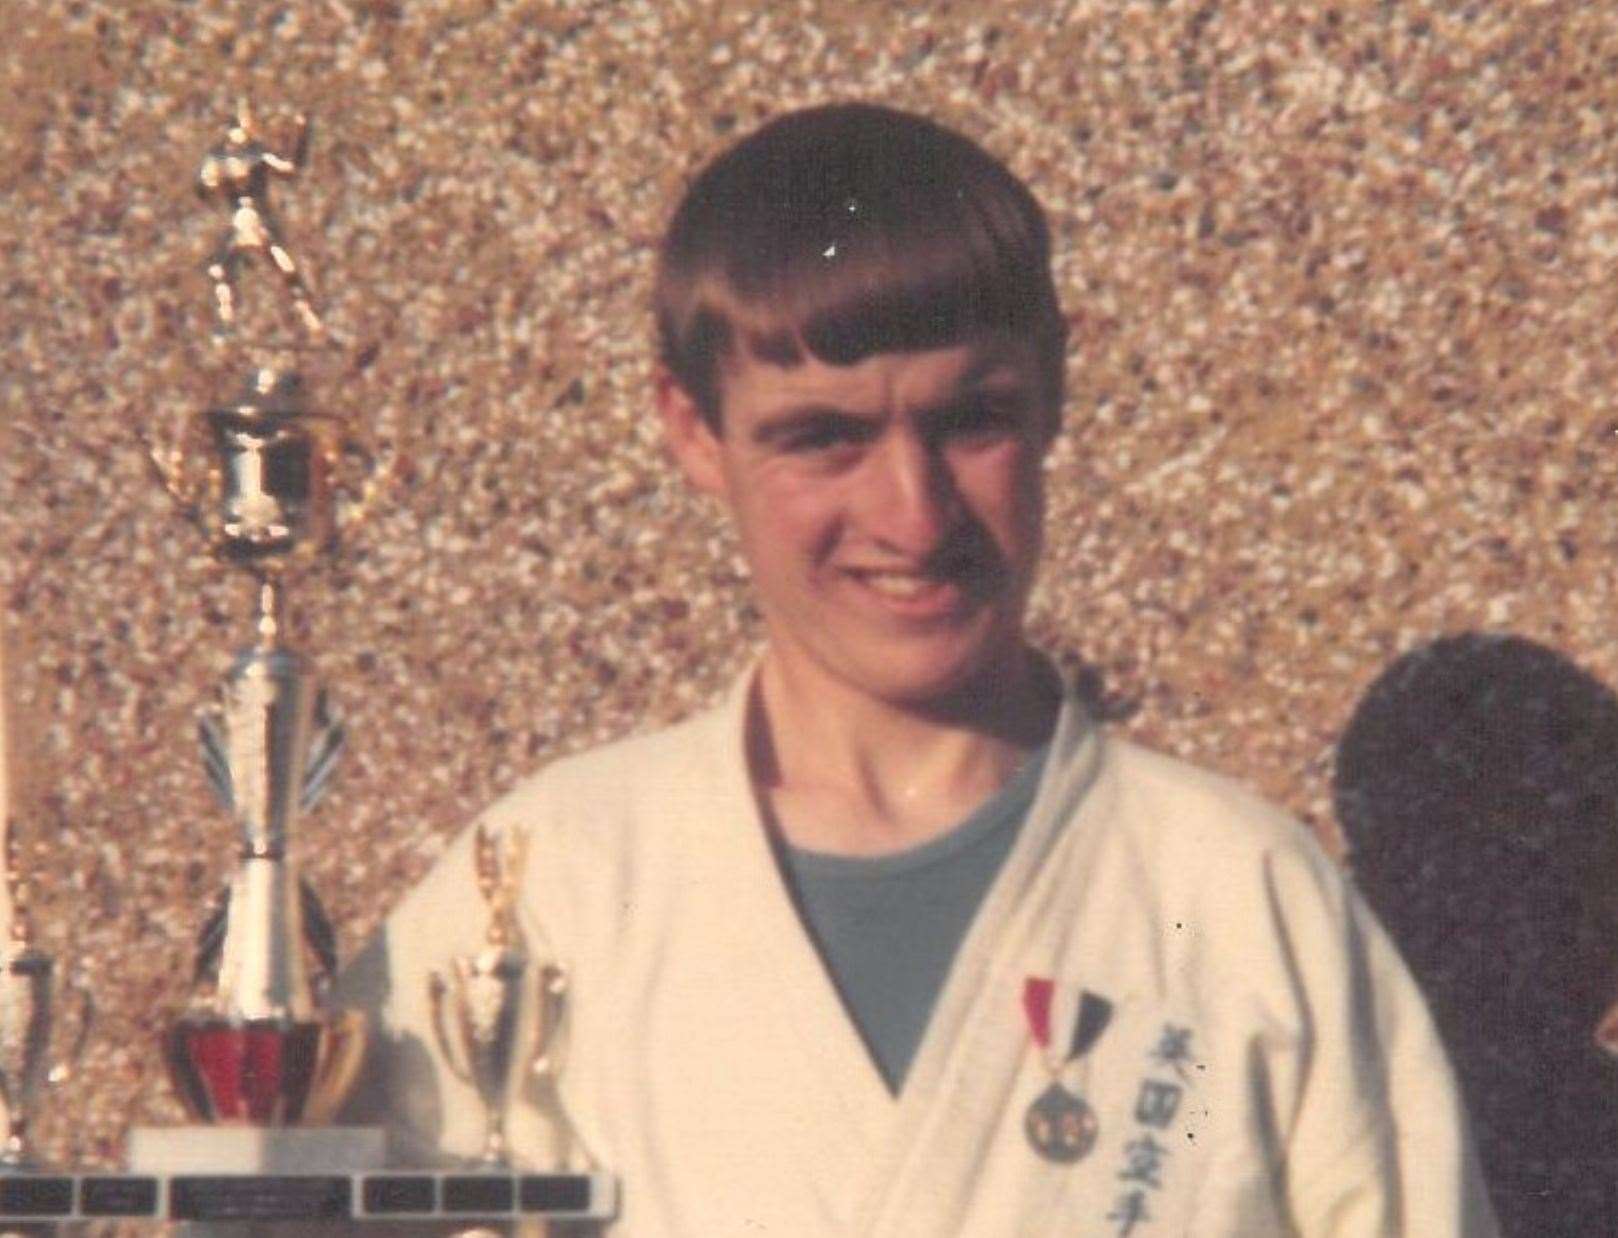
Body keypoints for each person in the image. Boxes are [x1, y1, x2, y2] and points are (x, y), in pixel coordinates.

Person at [338, 102, 1499, 1236]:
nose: (913, 511)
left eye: (971, 419)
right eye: (823, 435)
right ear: (693, 430)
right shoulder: (543, 890)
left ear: (1053, 390)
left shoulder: (1236, 896)